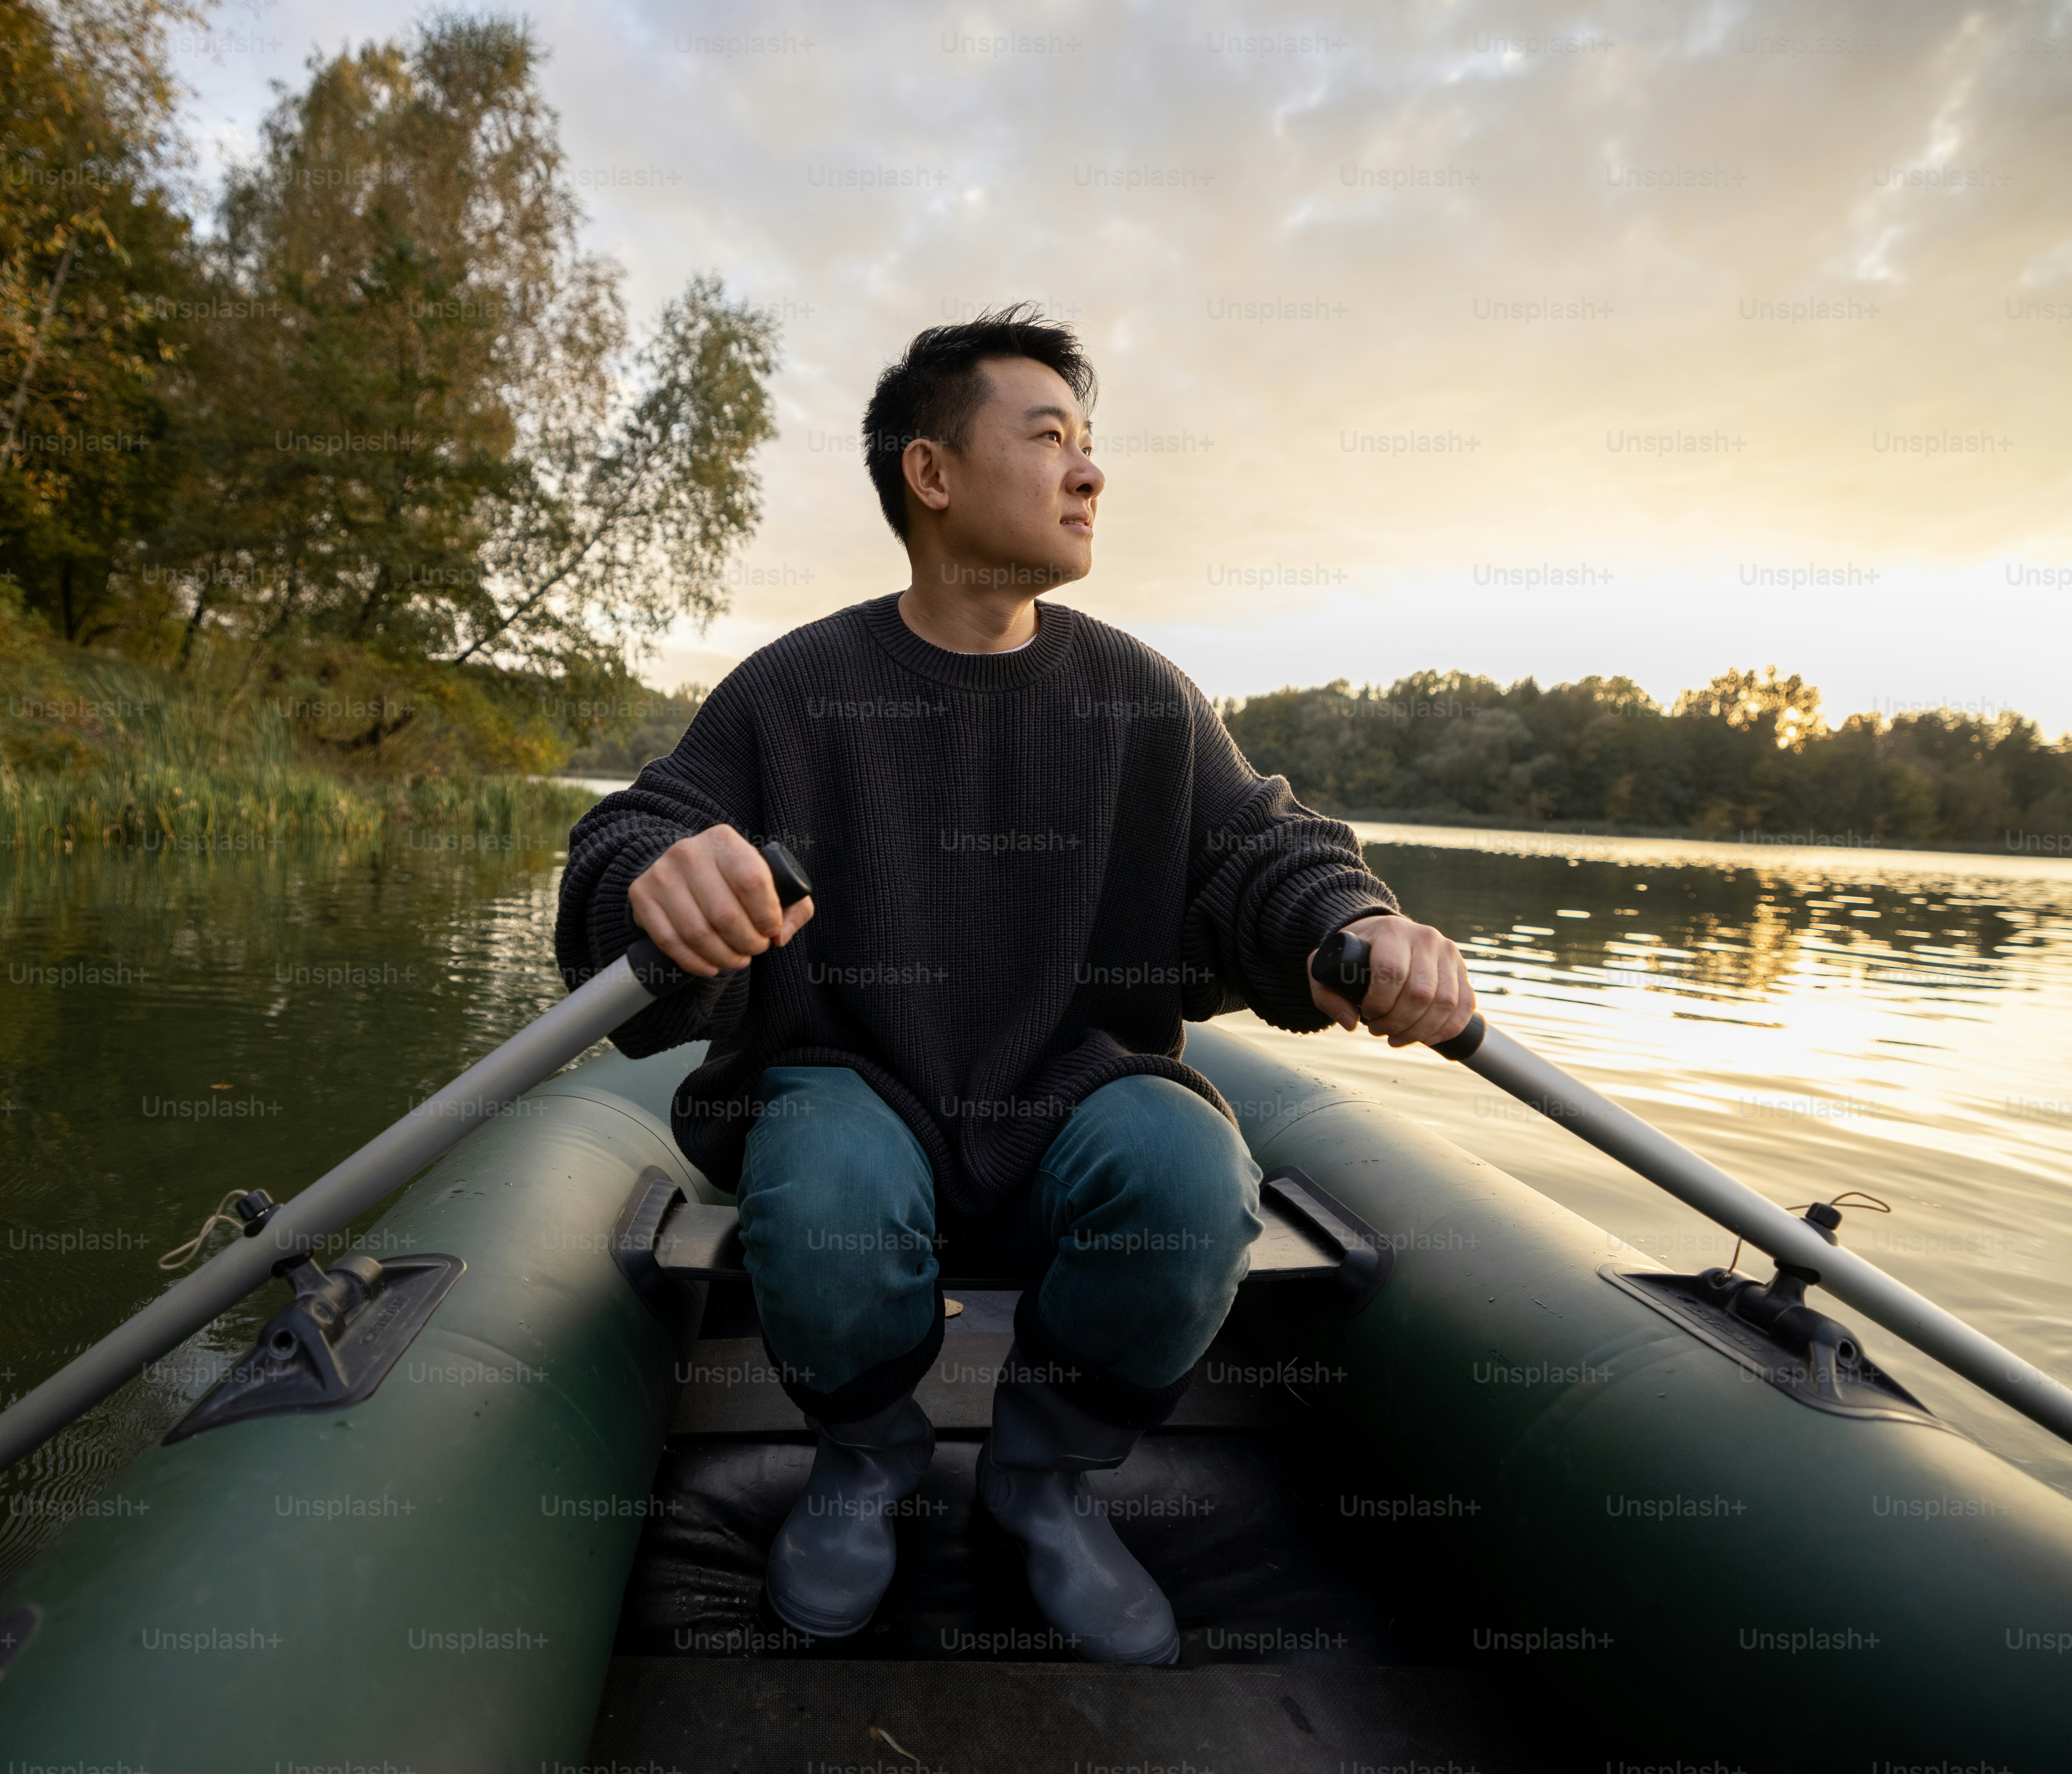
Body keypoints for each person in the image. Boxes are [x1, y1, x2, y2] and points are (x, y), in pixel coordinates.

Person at [555, 305, 1476, 1666]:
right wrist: (653, 877)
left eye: (1090, 444)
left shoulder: (1143, 696)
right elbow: (627, 837)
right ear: (929, 475)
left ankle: (1040, 1474)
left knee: (1188, 1179)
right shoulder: (791, 687)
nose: (1089, 472)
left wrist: (1355, 920)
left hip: (1072, 1085)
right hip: (849, 1076)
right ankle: (864, 1458)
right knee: (823, 1196)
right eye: (1048, 438)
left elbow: (1263, 852)